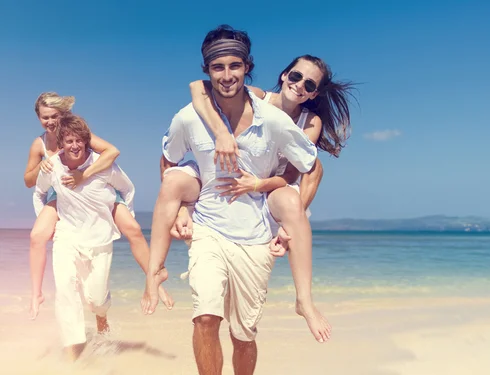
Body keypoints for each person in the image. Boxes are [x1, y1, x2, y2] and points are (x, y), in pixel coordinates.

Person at [142, 25, 321, 374]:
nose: (227, 75)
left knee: (243, 336)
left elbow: (311, 167)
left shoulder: (276, 120)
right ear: (207, 71)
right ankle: (154, 270)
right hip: (208, 229)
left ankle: (305, 301)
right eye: (218, 67)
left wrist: (290, 215)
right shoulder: (188, 117)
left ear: (247, 67)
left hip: (255, 236)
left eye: (234, 66)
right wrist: (181, 205)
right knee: (206, 317)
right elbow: (168, 160)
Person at [179, 53, 355, 342]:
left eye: (309, 85)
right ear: (285, 75)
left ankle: (304, 301)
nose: (299, 86)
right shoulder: (258, 97)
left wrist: (258, 184)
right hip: (238, 179)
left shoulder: (311, 122)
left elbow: (289, 174)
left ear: (314, 93)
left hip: (272, 186)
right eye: (296, 76)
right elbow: (198, 87)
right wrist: (222, 133)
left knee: (311, 173)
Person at [25, 92, 173, 319]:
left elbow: (112, 152)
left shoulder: (77, 134)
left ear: (63, 115)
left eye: (55, 116)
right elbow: (28, 181)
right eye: (45, 117)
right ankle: (36, 294)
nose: (50, 122)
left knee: (133, 229)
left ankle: (155, 281)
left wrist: (84, 174)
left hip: (96, 188)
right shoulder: (39, 144)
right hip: (61, 193)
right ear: (38, 118)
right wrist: (43, 165)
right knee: (37, 236)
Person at [32, 113, 136, 360]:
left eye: (80, 140)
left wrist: (123, 213)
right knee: (65, 289)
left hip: (99, 239)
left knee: (97, 300)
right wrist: (49, 222)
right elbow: (38, 193)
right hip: (67, 236)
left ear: (87, 142)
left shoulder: (102, 164)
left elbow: (127, 188)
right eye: (69, 141)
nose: (75, 145)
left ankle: (101, 317)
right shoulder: (52, 166)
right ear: (61, 143)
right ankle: (74, 353)